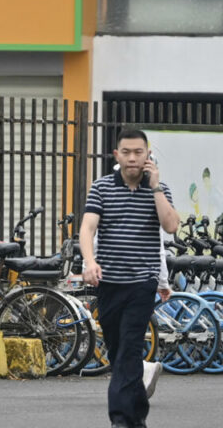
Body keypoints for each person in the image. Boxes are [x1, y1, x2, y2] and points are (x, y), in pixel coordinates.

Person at [79, 128, 179, 428]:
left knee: (130, 347)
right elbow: (87, 228)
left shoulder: (159, 189)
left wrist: (157, 188)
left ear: (148, 155)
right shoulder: (102, 187)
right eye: (127, 152)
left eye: (139, 152)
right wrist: (90, 261)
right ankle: (136, 419)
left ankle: (120, 420)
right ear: (117, 155)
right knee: (118, 351)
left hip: (141, 283)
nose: (133, 158)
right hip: (108, 282)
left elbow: (171, 226)